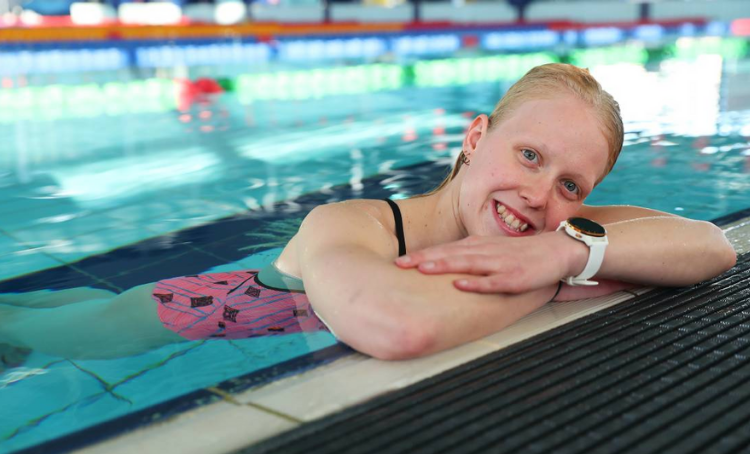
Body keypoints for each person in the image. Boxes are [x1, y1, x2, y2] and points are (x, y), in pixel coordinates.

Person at [0, 64, 736, 363]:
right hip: (166, 318)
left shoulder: (556, 231)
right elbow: (398, 324)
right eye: (530, 157)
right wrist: (551, 268)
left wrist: (569, 253)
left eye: (573, 186)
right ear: (476, 139)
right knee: (19, 333)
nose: (543, 198)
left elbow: (710, 246)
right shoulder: (348, 225)